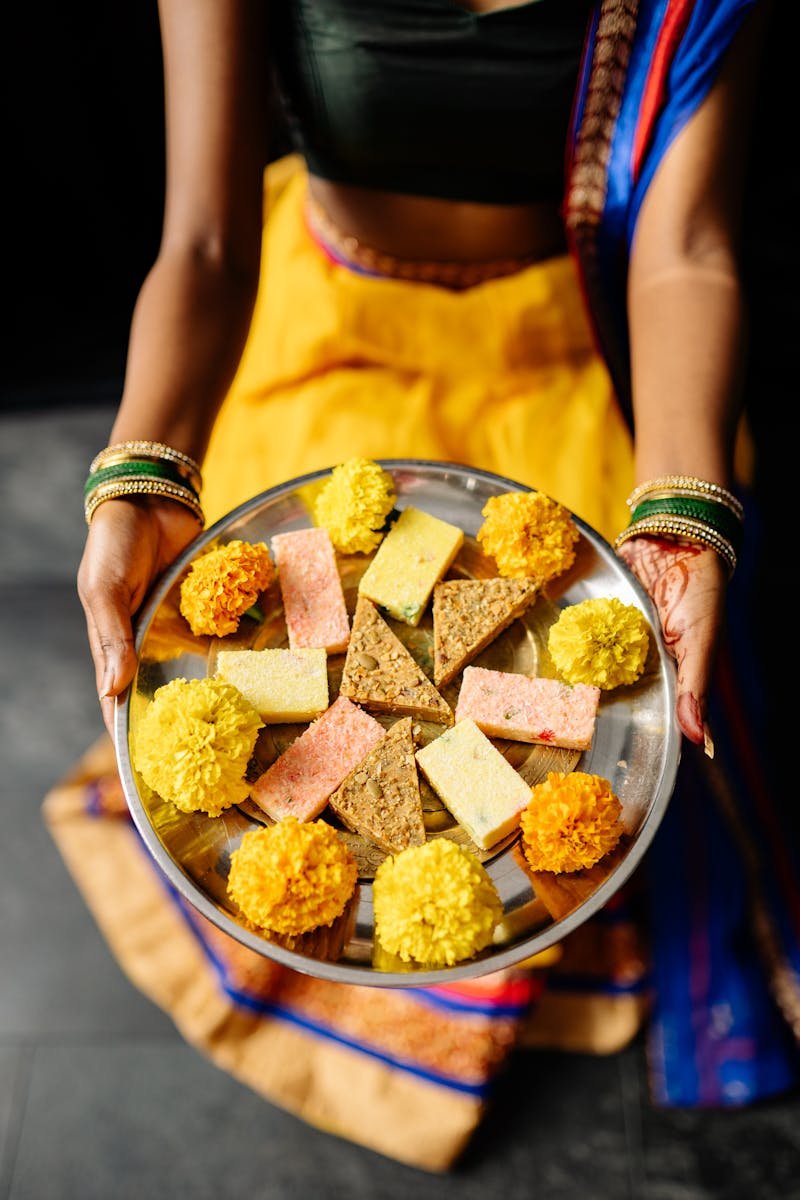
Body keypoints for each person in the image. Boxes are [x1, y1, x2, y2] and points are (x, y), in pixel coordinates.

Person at [43, 0, 799, 1171]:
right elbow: (200, 243)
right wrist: (142, 469)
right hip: (332, 323)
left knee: (563, 711)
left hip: (583, 338)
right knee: (283, 701)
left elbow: (686, 248)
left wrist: (682, 506)